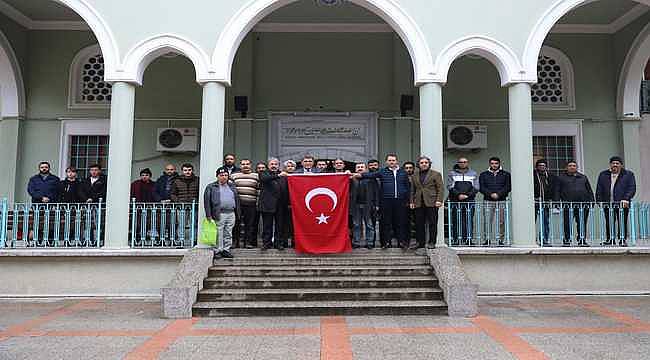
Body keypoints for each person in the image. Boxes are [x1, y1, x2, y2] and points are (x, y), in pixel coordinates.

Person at [357, 154, 410, 249]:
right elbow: (371, 175)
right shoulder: (382, 171)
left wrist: (408, 200)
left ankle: (401, 242)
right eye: (389, 160)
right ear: (386, 162)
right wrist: (359, 174)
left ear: (397, 161)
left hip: (400, 201)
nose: (391, 162)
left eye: (393, 160)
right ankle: (386, 242)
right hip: (386, 201)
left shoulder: (403, 172)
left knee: (400, 222)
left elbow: (407, 187)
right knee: (386, 222)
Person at [596, 156, 636, 246]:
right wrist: (599, 200)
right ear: (610, 165)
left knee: (622, 221)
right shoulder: (603, 174)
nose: (615, 165)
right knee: (609, 221)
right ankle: (610, 239)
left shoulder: (628, 174)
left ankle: (622, 240)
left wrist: (626, 199)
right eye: (613, 163)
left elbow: (631, 188)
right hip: (608, 203)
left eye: (617, 163)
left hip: (622, 203)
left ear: (621, 165)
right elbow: (599, 188)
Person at [554, 161, 594, 246]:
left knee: (582, 223)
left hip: (583, 204)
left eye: (574, 166)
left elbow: (589, 190)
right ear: (566, 167)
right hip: (568, 204)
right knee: (567, 223)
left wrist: (592, 201)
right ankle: (567, 240)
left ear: (577, 167)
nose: (572, 167)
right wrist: (556, 202)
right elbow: (557, 190)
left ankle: (582, 240)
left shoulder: (583, 177)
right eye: (570, 166)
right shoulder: (561, 178)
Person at [204, 168, 240, 259]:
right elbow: (207, 202)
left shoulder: (232, 186)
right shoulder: (211, 187)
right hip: (219, 213)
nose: (224, 177)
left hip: (231, 213)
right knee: (218, 233)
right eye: (221, 175)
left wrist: (238, 212)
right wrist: (208, 215)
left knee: (228, 232)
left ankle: (226, 250)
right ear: (217, 176)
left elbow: (237, 199)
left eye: (225, 175)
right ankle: (217, 250)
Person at [410, 156, 443, 249]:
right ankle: (420, 242)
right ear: (418, 165)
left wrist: (439, 200)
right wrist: (411, 201)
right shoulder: (414, 175)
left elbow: (440, 188)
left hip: (432, 202)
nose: (424, 164)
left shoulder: (436, 174)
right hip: (418, 202)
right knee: (419, 223)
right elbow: (412, 190)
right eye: (422, 163)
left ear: (429, 164)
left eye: (426, 163)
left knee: (432, 223)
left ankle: (432, 242)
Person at [478, 157, 511, 245]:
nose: (494, 165)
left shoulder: (506, 174)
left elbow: (508, 187)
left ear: (499, 163)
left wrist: (498, 194)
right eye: (492, 163)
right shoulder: (484, 174)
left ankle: (501, 240)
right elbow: (481, 187)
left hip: (501, 200)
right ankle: (487, 239)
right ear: (489, 164)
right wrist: (491, 194)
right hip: (488, 200)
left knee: (501, 221)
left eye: (496, 163)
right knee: (487, 220)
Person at [258, 158, 289, 250]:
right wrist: (279, 175)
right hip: (267, 204)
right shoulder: (263, 173)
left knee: (280, 225)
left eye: (276, 164)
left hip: (280, 205)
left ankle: (278, 243)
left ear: (278, 165)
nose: (274, 165)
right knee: (267, 225)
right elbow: (265, 179)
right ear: (268, 165)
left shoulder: (284, 175)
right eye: (272, 164)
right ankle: (266, 243)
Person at [447, 157, 479, 246]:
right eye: (461, 162)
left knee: (469, 220)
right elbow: (450, 186)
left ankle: (468, 240)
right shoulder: (452, 173)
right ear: (458, 163)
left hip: (469, 201)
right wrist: (459, 195)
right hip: (455, 201)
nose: (463, 163)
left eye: (465, 162)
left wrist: (467, 195)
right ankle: (456, 240)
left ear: (467, 163)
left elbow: (476, 187)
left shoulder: (473, 173)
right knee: (455, 220)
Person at [230, 159, 260, 248]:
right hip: (237, 204)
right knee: (236, 224)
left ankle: (247, 243)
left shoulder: (256, 176)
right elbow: (230, 191)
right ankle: (235, 242)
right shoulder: (233, 176)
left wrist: (258, 202)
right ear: (240, 166)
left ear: (251, 165)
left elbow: (259, 190)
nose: (245, 166)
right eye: (243, 164)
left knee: (249, 224)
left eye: (247, 164)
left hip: (251, 203)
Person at [350, 162, 379, 249]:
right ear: (355, 169)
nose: (360, 168)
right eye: (358, 167)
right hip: (355, 206)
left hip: (368, 205)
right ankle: (356, 242)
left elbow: (376, 192)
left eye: (362, 167)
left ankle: (369, 242)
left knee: (369, 225)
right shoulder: (351, 179)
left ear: (365, 169)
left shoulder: (371, 179)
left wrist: (377, 204)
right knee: (356, 224)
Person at [534, 159, 555, 245]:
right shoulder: (533, 175)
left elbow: (553, 189)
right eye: (540, 166)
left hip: (545, 202)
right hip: (534, 202)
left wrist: (552, 200)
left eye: (543, 166)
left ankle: (544, 239)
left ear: (546, 167)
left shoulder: (550, 176)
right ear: (537, 167)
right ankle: (531, 240)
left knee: (545, 221)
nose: (542, 167)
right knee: (532, 222)